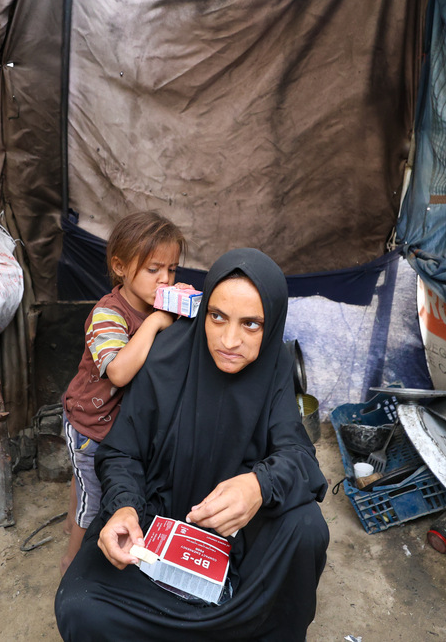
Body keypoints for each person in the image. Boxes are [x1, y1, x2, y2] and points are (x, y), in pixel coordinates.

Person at [55, 248, 330, 641]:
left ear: (271, 328)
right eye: (217, 317)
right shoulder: (166, 356)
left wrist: (257, 485)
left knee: (306, 527)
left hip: (238, 537)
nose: (229, 340)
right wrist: (123, 508)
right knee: (81, 607)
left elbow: (300, 457)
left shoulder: (275, 368)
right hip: (155, 524)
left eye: (251, 324)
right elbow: (121, 452)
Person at [59, 211, 188, 574]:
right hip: (91, 427)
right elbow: (117, 371)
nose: (165, 279)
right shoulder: (108, 314)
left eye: (173, 270)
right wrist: (157, 322)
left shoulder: (157, 307)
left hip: (118, 428)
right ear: (120, 266)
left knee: (83, 484)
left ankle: (71, 521)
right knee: (95, 501)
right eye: (153, 269)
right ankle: (73, 565)